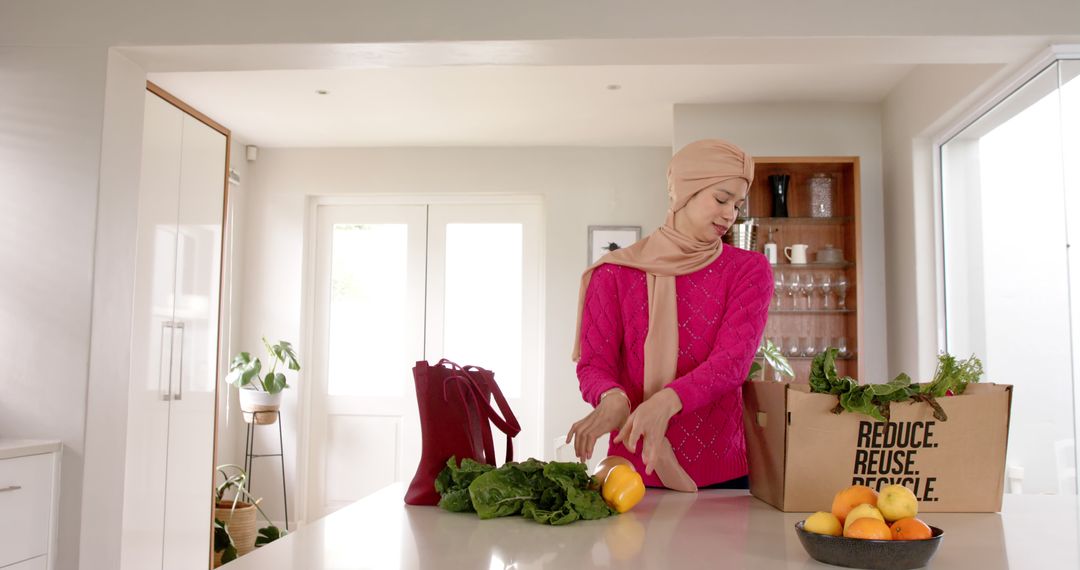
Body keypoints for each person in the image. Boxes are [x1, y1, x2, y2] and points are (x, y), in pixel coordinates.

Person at [566, 139, 773, 492]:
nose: (730, 214)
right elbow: (594, 364)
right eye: (721, 199)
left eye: (737, 205)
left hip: (723, 474)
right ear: (685, 192)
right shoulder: (613, 273)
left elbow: (732, 362)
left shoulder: (748, 270)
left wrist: (665, 401)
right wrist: (612, 397)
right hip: (629, 472)